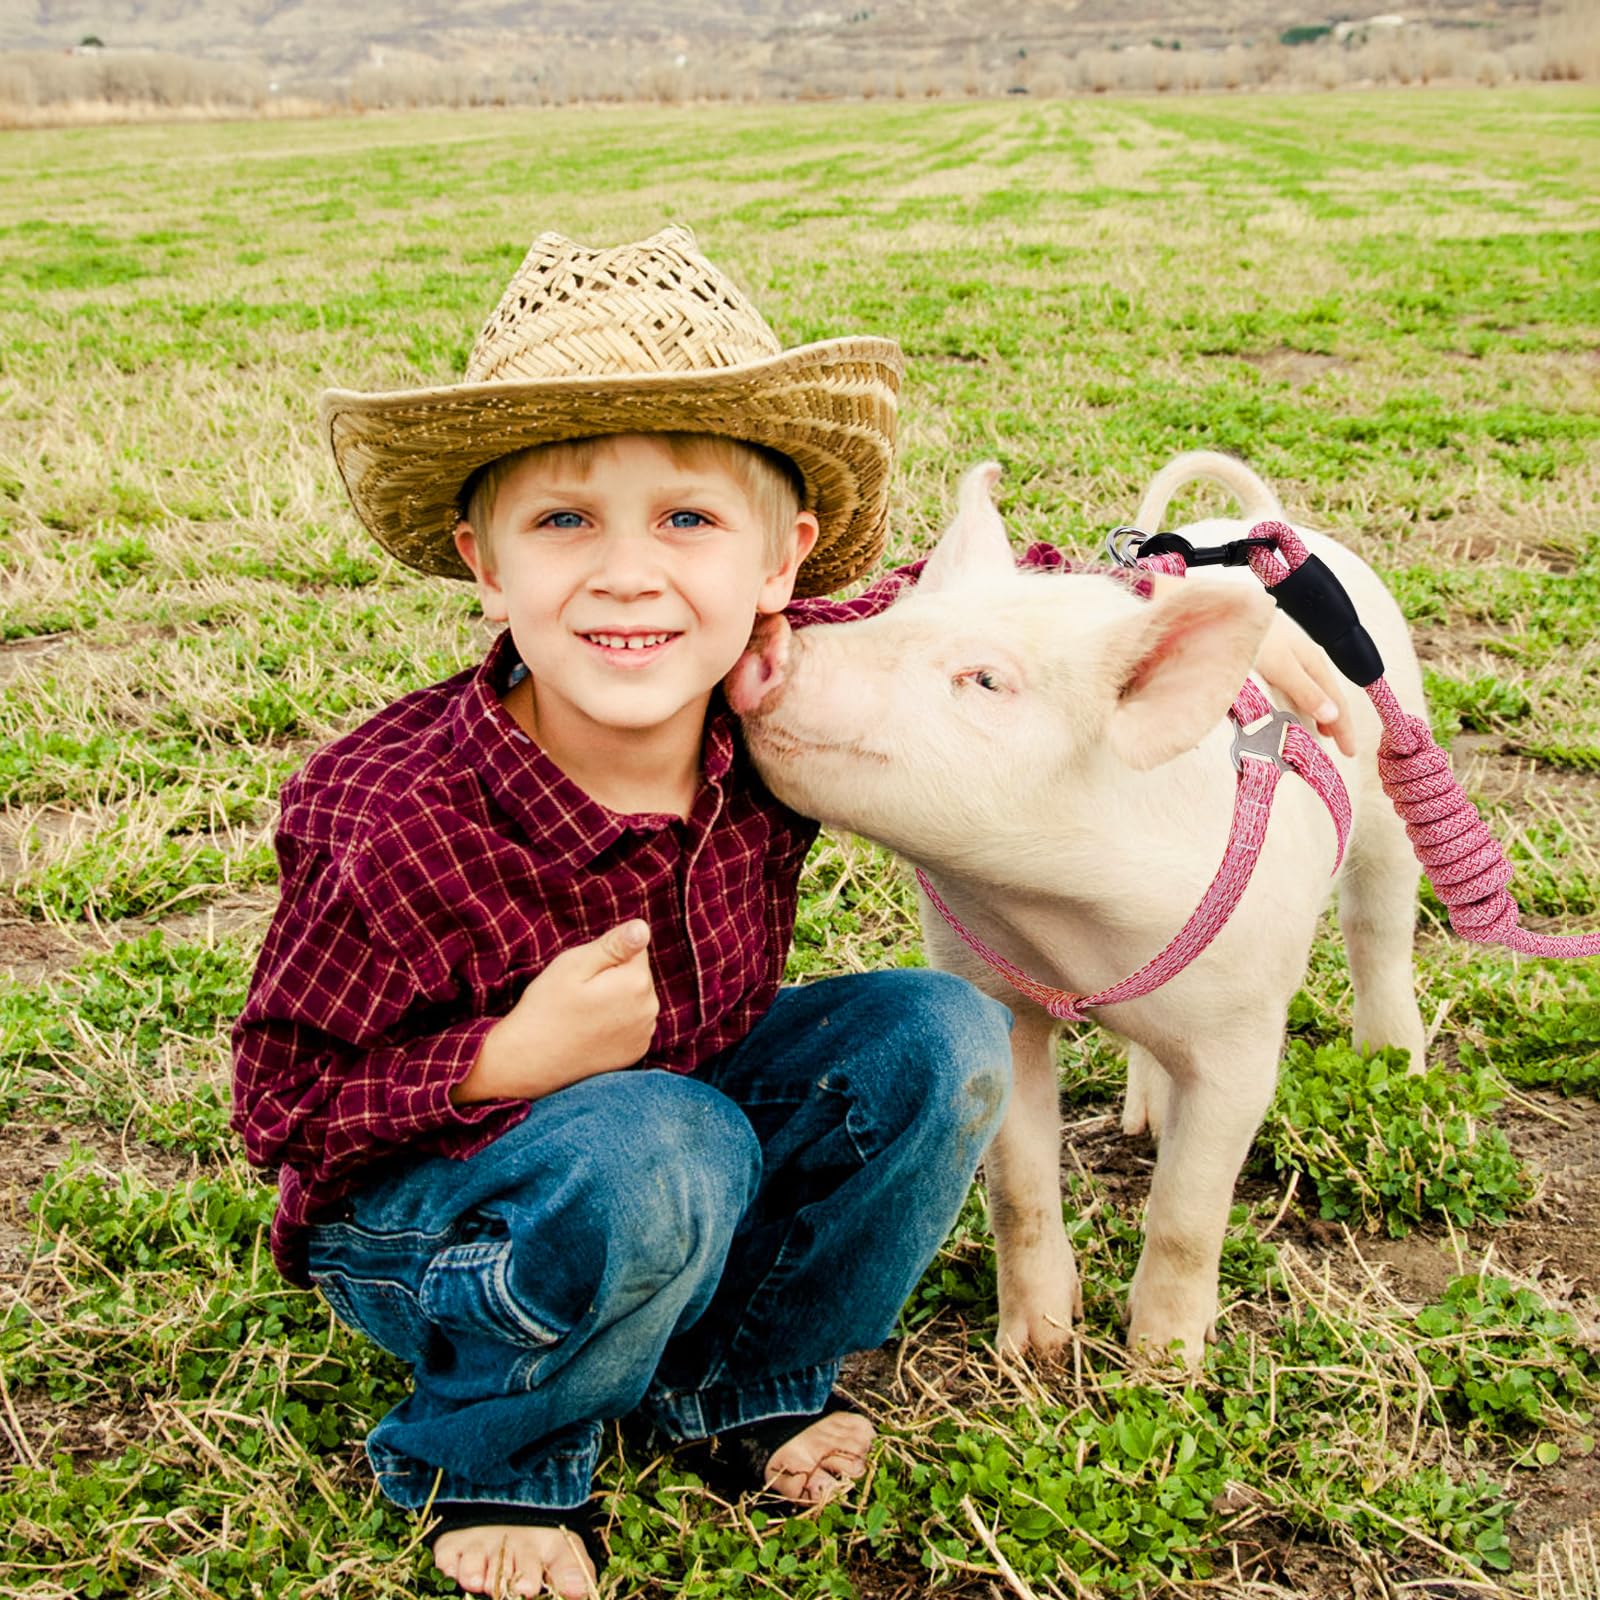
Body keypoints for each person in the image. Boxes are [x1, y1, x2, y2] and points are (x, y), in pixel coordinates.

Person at [230, 226, 1352, 1600]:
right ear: (484, 562)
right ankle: (495, 1457)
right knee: (668, 1138)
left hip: (669, 1147)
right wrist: (497, 1063)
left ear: (782, 562)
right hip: (440, 1224)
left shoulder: (763, 720)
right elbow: (281, 1108)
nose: (632, 574)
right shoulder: (389, 809)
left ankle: (739, 1381)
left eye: (690, 520)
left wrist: (1195, 609)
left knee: (938, 1033)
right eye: (564, 519)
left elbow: (983, 632)